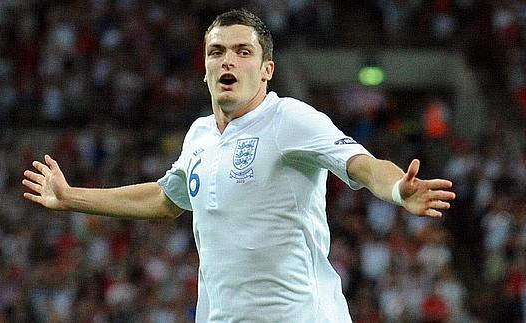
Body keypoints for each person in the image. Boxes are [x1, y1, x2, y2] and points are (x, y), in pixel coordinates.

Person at [22, 8, 456, 323]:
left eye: (242, 52)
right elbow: (165, 198)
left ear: (266, 70)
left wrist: (398, 188)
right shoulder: (198, 136)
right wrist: (69, 196)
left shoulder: (289, 119)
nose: (227, 60)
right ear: (205, 70)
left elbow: (361, 164)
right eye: (217, 52)